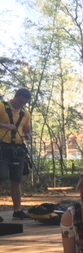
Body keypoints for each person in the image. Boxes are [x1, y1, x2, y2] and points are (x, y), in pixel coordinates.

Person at [0, 88, 33, 221]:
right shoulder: (1, 106)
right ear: (16, 97)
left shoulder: (26, 113)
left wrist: (28, 135)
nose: (21, 105)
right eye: (20, 101)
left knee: (17, 179)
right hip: (2, 146)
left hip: (18, 148)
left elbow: (28, 129)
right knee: (1, 177)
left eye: (24, 103)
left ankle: (17, 210)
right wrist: (5, 126)